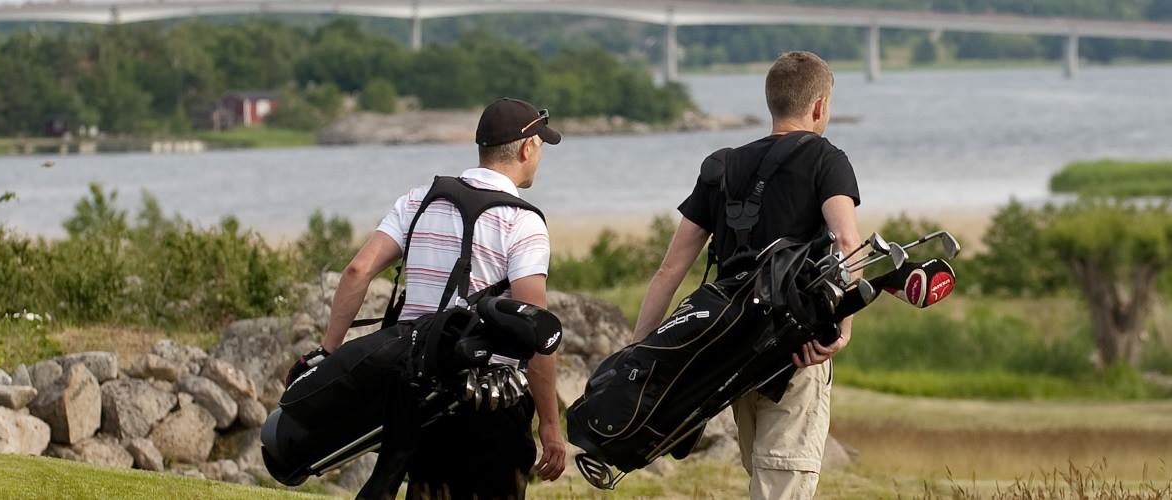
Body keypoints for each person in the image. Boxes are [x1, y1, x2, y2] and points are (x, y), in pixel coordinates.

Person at [630, 51, 860, 500]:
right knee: (783, 480)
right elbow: (847, 243)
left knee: (762, 476)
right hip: (796, 353)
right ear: (819, 106)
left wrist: (638, 354)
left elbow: (670, 270)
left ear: (772, 101)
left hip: (730, 353)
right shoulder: (826, 159)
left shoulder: (723, 166)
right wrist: (842, 328)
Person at [320, 98, 569, 499]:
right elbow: (535, 329)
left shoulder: (419, 200)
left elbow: (357, 272)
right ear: (527, 148)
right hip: (491, 402)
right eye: (541, 146)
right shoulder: (522, 222)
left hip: (415, 393)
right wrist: (551, 426)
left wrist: (327, 352)